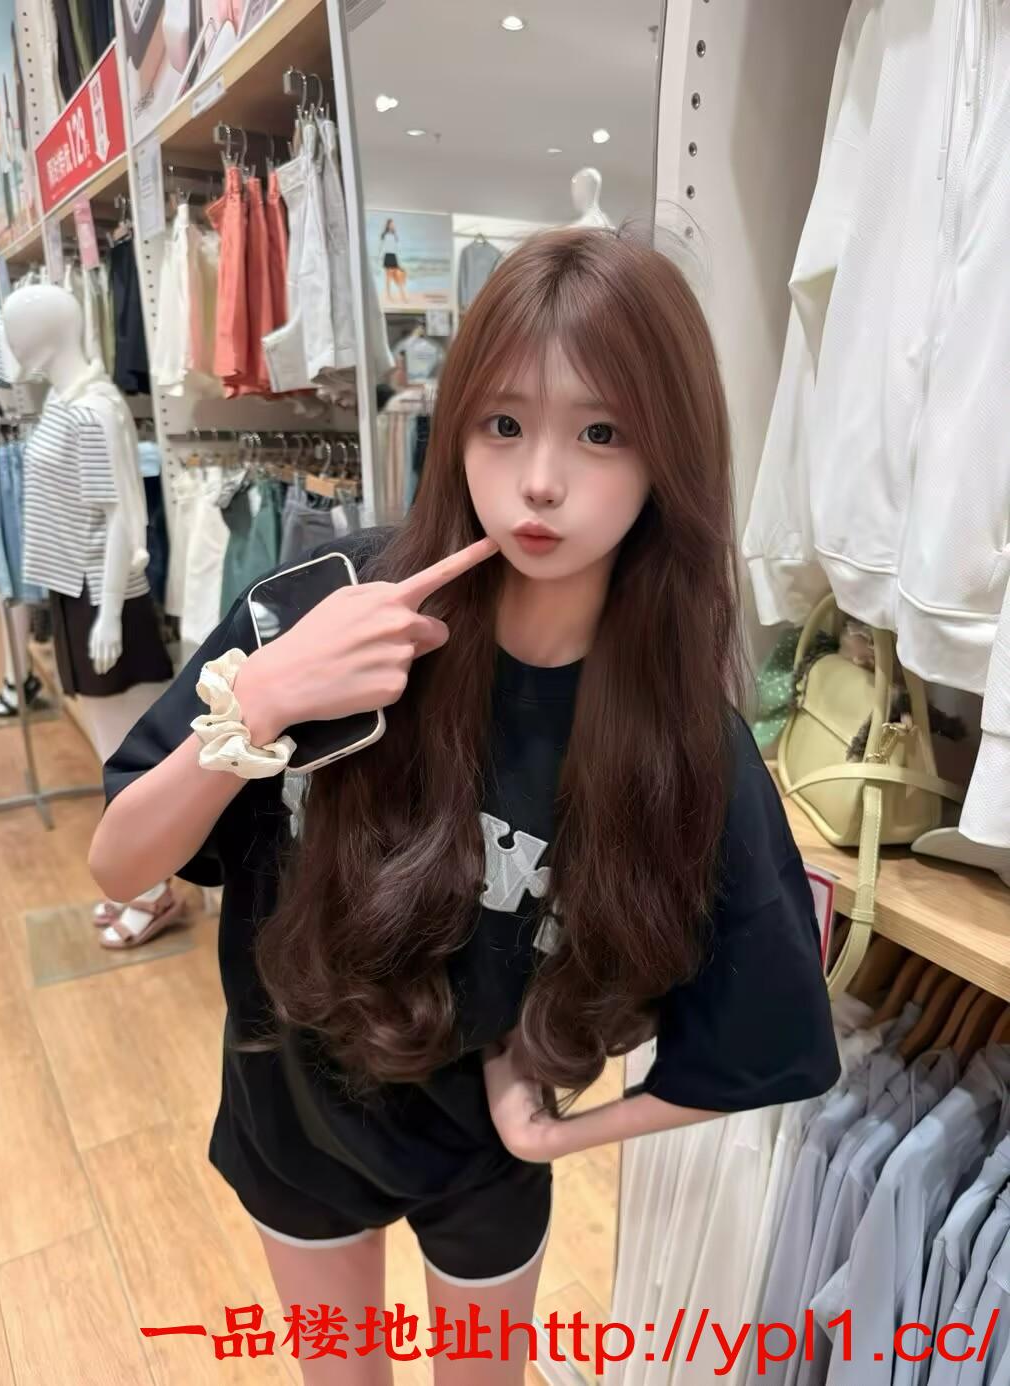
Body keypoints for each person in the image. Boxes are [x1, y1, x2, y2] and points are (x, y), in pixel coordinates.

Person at [90, 225, 840, 1386]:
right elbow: (119, 863)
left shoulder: (681, 743)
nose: (541, 479)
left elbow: (768, 1039)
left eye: (601, 432)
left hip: (481, 1149)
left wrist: (554, 1130)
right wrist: (265, 701)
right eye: (503, 424)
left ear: (668, 455)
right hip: (290, 1102)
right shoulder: (329, 608)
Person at [380, 217, 409, 303]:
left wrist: (398, 261)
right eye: (391, 224)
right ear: (388, 225)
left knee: (398, 276)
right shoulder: (384, 235)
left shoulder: (394, 235)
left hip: (394, 256)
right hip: (387, 256)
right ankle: (388, 296)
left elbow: (396, 249)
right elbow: (382, 247)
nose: (393, 225)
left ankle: (403, 296)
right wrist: (381, 258)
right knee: (388, 278)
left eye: (393, 224)